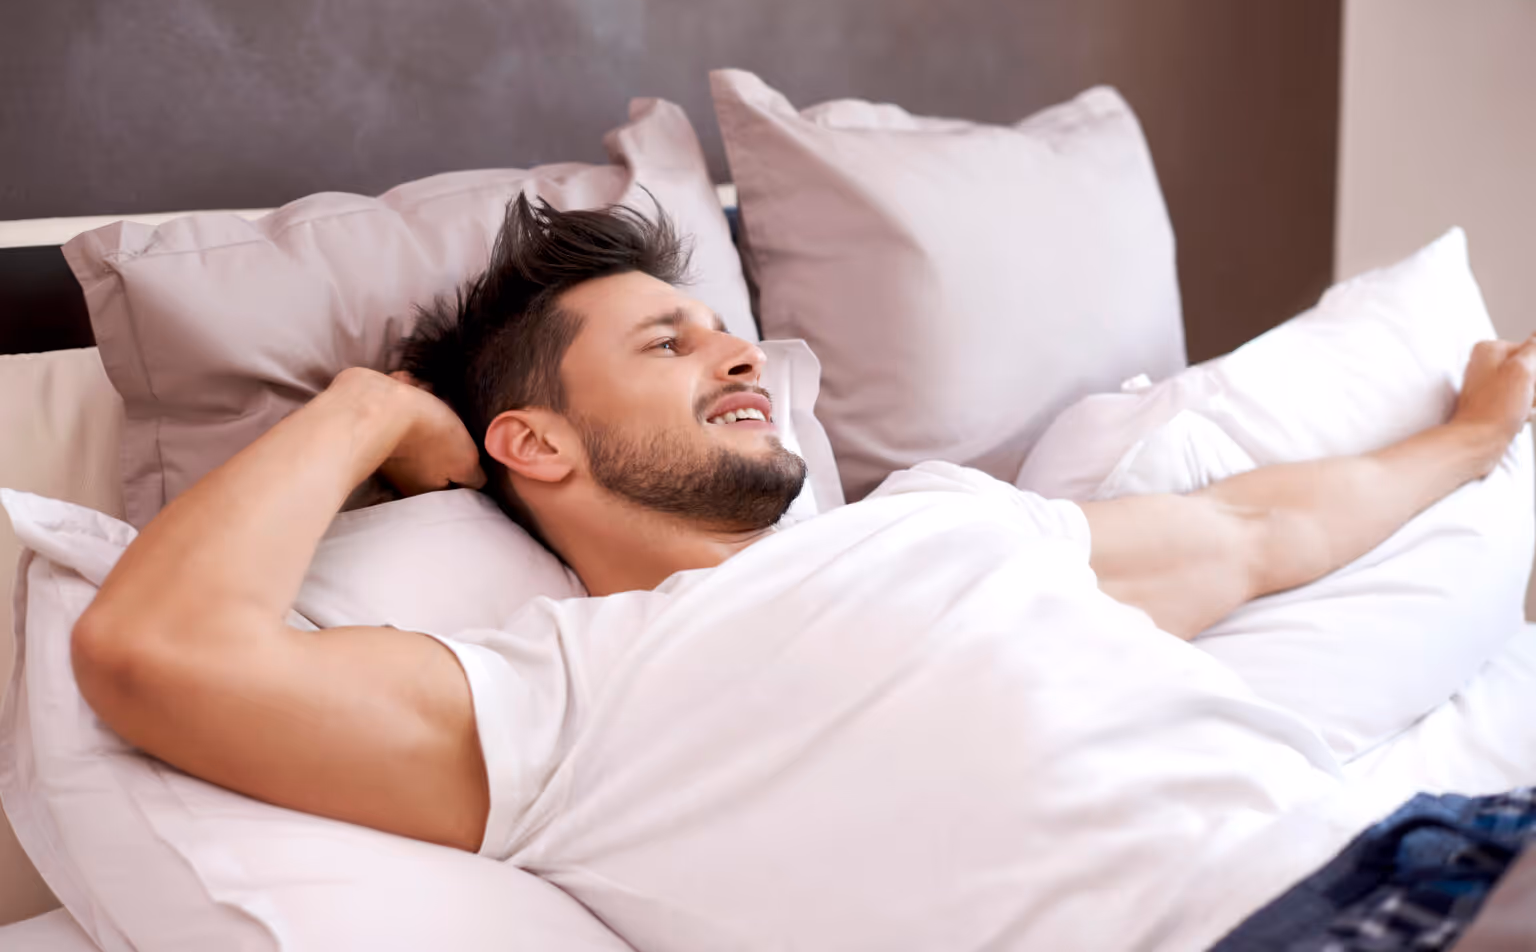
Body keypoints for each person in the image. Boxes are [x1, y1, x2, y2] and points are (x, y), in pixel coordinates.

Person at [68, 196, 1536, 925]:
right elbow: (159, 655)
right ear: (534, 445)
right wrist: (367, 407)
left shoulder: (955, 520)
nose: (736, 350)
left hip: (1440, 851)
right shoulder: (556, 707)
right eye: (668, 340)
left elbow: (1259, 529)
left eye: (725, 330)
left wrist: (1475, 437)